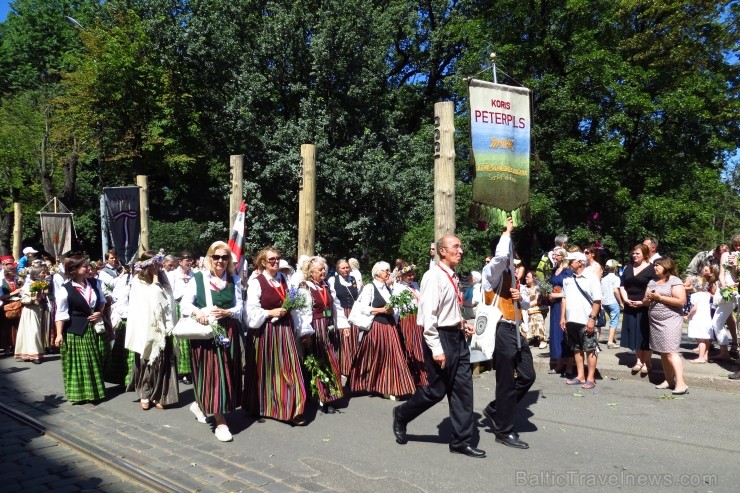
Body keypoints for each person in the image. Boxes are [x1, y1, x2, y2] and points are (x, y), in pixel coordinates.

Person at [393, 235, 484, 458]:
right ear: (442, 251)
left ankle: (461, 441)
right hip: (440, 337)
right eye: (456, 247)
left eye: (461, 246)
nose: (461, 251)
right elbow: (428, 315)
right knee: (436, 391)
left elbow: (448, 308)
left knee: (463, 390)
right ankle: (402, 415)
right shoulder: (433, 276)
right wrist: (436, 348)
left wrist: (461, 323)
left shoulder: (452, 276)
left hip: (457, 336)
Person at [181, 241, 244, 442]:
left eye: (224, 257)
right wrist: (197, 312)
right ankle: (220, 421)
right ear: (210, 258)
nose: (220, 261)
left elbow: (240, 307)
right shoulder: (198, 278)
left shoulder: (233, 279)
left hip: (229, 330)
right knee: (213, 373)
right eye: (216, 257)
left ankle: (200, 404)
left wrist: (228, 311)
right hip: (206, 332)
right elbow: (185, 302)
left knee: (227, 372)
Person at [481, 218, 535, 449]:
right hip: (501, 329)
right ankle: (504, 430)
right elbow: (501, 257)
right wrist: (507, 233)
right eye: (513, 254)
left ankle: (495, 408)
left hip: (515, 328)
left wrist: (519, 297)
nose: (515, 259)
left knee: (527, 376)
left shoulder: (514, 277)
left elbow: (523, 304)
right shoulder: (491, 272)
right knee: (505, 382)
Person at [244, 246, 309, 426]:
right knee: (266, 371)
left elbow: (294, 308)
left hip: (285, 331)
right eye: (271, 259)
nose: (275, 261)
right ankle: (262, 406)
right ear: (263, 263)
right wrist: (269, 313)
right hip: (266, 332)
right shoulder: (257, 282)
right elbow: (250, 311)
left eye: (277, 258)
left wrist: (302, 330)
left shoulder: (284, 280)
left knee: (290, 370)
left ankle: (293, 409)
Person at [349, 262, 415, 399]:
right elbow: (362, 307)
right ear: (377, 272)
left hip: (390, 326)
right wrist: (380, 310)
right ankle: (368, 382)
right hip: (377, 327)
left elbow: (395, 308)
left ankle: (391, 387)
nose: (388, 273)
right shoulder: (369, 287)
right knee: (373, 356)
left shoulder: (389, 288)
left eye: (389, 270)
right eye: (386, 270)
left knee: (393, 356)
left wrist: (393, 310)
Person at [125, 252, 179, 410]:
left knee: (163, 363)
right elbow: (151, 302)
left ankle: (160, 395)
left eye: (158, 264)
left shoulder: (163, 278)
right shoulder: (138, 281)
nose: (158, 267)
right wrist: (155, 281)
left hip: (164, 328)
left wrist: (170, 324)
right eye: (154, 264)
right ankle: (145, 393)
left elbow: (169, 300)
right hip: (146, 328)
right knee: (148, 362)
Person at [53, 254, 108, 403]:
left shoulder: (94, 283)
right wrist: (59, 334)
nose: (88, 268)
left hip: (95, 327)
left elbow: (102, 301)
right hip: (76, 329)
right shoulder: (66, 289)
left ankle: (95, 391)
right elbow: (61, 313)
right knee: (80, 362)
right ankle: (81, 394)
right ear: (75, 269)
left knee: (96, 359)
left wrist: (99, 312)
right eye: (84, 266)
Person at [299, 256, 344, 414]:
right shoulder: (305, 287)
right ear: (311, 272)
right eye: (320, 269)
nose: (323, 271)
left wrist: (343, 325)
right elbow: (303, 312)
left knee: (328, 360)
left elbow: (335, 305)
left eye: (324, 268)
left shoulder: (325, 285)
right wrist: (306, 334)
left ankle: (325, 395)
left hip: (327, 327)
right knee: (317, 362)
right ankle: (320, 397)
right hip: (315, 327)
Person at [645, 257, 688, 394]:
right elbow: (646, 301)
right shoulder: (652, 282)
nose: (655, 267)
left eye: (658, 265)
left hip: (671, 320)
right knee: (663, 352)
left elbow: (681, 301)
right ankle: (668, 380)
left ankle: (681, 383)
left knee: (671, 351)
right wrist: (647, 299)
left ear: (666, 266)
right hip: (655, 322)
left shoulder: (675, 281)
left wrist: (660, 298)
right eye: (655, 265)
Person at [561, 252, 602, 390]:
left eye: (572, 260)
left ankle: (590, 378)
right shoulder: (568, 279)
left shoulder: (591, 278)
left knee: (590, 348)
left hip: (586, 319)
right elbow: (564, 298)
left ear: (580, 262)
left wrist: (592, 319)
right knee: (577, 349)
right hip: (571, 320)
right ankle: (580, 376)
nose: (569, 263)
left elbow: (597, 300)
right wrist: (563, 317)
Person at [619, 244, 656, 375]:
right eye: (633, 253)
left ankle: (647, 362)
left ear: (645, 254)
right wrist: (625, 299)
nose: (634, 256)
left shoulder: (652, 269)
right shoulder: (628, 267)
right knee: (635, 334)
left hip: (645, 306)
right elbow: (622, 285)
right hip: (630, 305)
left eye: (637, 253)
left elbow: (653, 287)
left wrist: (643, 302)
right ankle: (639, 361)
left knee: (645, 334)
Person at [393, 262, 428, 387]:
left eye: (412, 274)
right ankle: (413, 376)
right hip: (407, 319)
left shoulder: (415, 285)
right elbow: (396, 308)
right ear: (402, 276)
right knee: (411, 346)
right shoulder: (398, 288)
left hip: (418, 318)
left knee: (420, 345)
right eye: (408, 275)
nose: (411, 277)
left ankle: (423, 375)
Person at [328, 258, 360, 377]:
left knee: (354, 339)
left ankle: (354, 367)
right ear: (338, 269)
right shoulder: (333, 280)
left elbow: (358, 297)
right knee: (344, 340)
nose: (346, 270)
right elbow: (333, 299)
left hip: (353, 313)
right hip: (340, 312)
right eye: (343, 268)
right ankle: (344, 368)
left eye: (347, 267)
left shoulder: (353, 279)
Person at [547, 247, 574, 374]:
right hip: (555, 305)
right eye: (553, 254)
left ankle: (569, 365)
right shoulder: (554, 270)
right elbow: (553, 286)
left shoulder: (568, 271)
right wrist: (549, 295)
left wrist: (557, 295)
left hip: (564, 303)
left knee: (565, 334)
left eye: (556, 255)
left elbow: (570, 289)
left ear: (563, 257)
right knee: (556, 333)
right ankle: (559, 364)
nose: (553, 256)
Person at [170, 251, 195, 385]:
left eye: (190, 259)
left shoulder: (195, 275)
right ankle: (183, 372)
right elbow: (169, 294)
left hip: (192, 308)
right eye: (186, 259)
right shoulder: (173, 275)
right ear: (180, 261)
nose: (189, 262)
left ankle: (191, 370)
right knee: (180, 340)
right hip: (177, 308)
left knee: (191, 339)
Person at [15, 266, 48, 363]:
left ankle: (32, 353)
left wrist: (43, 296)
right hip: (30, 310)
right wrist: (31, 299)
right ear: (36, 274)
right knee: (33, 332)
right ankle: (34, 355)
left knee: (38, 331)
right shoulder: (28, 284)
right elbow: (23, 298)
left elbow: (43, 297)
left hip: (39, 309)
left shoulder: (41, 284)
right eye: (42, 272)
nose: (44, 274)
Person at [684, 270, 714, 364]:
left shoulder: (695, 296)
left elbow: (694, 308)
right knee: (706, 338)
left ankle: (700, 357)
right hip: (707, 319)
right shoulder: (707, 295)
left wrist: (688, 316)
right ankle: (705, 355)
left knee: (701, 340)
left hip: (698, 319)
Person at [601, 259, 623, 349]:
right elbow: (616, 291)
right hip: (613, 302)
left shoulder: (603, 279)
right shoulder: (616, 278)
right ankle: (610, 341)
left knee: (611, 318)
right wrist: (621, 302)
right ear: (615, 268)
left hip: (605, 302)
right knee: (614, 321)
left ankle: (612, 338)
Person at [1, 264, 22, 355]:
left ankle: (16, 346)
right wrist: (14, 293)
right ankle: (6, 346)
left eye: (14, 272)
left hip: (17, 305)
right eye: (11, 272)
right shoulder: (2, 283)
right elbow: (1, 297)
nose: (13, 274)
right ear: (6, 273)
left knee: (16, 327)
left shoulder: (17, 281)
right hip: (7, 306)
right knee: (7, 327)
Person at [524, 271, 547, 349]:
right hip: (525, 308)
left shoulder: (538, 288)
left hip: (536, 308)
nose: (525, 278)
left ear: (533, 279)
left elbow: (538, 301)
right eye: (526, 277)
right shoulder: (524, 288)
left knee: (537, 316)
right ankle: (528, 338)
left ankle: (542, 340)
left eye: (528, 277)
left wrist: (527, 307)